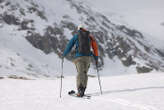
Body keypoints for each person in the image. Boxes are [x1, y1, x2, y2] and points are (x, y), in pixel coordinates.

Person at [63, 25, 98, 97]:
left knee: (80, 73)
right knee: (84, 73)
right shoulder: (89, 37)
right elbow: (95, 47)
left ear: (78, 29)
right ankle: (83, 89)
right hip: (88, 58)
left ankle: (80, 90)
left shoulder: (76, 36)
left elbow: (69, 45)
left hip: (78, 57)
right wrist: (96, 57)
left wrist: (64, 54)